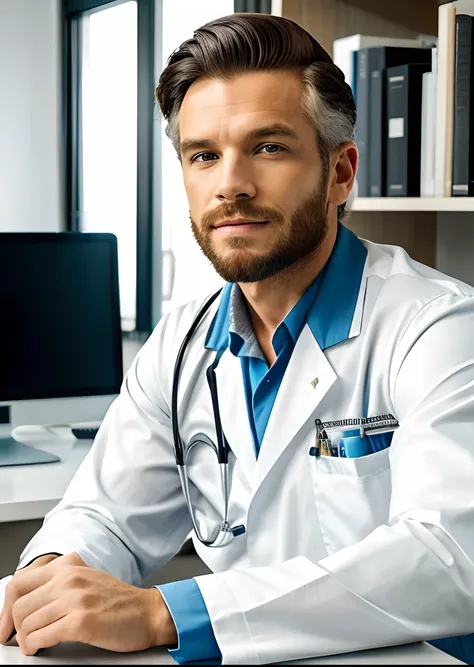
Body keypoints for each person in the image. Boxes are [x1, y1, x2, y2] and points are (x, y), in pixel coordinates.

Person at [1, 12, 474, 665]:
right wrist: (55, 575)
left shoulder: (437, 327)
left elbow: (452, 559)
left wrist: (166, 610)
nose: (230, 184)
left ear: (341, 173)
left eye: (269, 147)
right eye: (203, 155)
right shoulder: (182, 342)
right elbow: (106, 514)